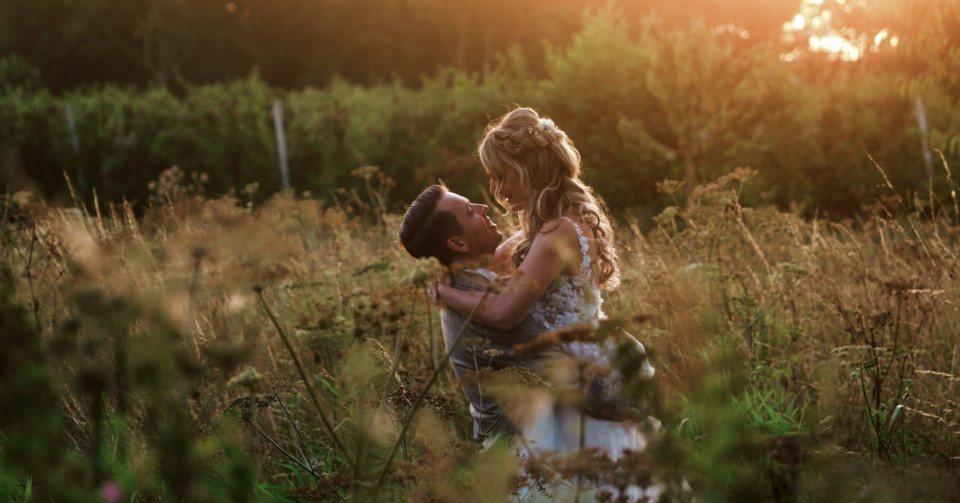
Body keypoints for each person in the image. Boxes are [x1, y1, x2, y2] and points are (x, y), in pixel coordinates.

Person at [434, 107, 656, 501]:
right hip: (550, 371)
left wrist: (445, 293)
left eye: (502, 175)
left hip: (581, 374)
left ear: (531, 170)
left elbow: (506, 313)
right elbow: (496, 268)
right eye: (492, 177)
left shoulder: (561, 229)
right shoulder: (538, 228)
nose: (496, 188)